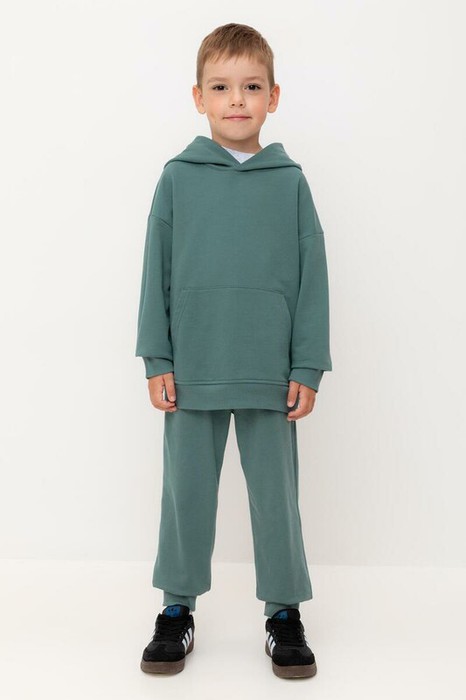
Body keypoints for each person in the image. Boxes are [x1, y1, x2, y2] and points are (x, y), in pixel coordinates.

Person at [135, 22, 332, 679]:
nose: (237, 99)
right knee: (185, 496)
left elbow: (312, 277)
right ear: (199, 98)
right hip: (193, 368)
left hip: (270, 373)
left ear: (273, 97)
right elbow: (156, 269)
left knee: (277, 500)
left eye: (251, 87)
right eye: (221, 87)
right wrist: (157, 358)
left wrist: (307, 365)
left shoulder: (290, 183)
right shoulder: (178, 178)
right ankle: (176, 608)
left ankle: (284, 612)